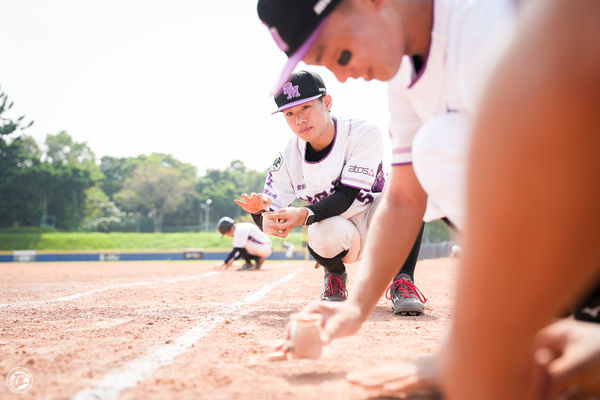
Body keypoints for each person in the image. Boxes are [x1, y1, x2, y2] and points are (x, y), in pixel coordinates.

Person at [257, 0, 600, 343]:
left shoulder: (485, 23)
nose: (343, 75)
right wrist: (357, 309)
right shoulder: (403, 80)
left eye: (339, 54)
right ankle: (566, 311)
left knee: (443, 145)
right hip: (559, 226)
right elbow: (406, 198)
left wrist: (479, 353)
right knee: (434, 149)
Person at [235, 70, 426, 310]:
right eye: (290, 113)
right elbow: (271, 219)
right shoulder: (289, 155)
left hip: (379, 222)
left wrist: (301, 215)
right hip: (340, 234)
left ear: (327, 102)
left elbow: (346, 196)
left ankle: (403, 281)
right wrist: (259, 212)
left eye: (306, 108)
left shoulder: (363, 133)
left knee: (414, 185)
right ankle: (335, 275)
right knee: (320, 229)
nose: (299, 120)